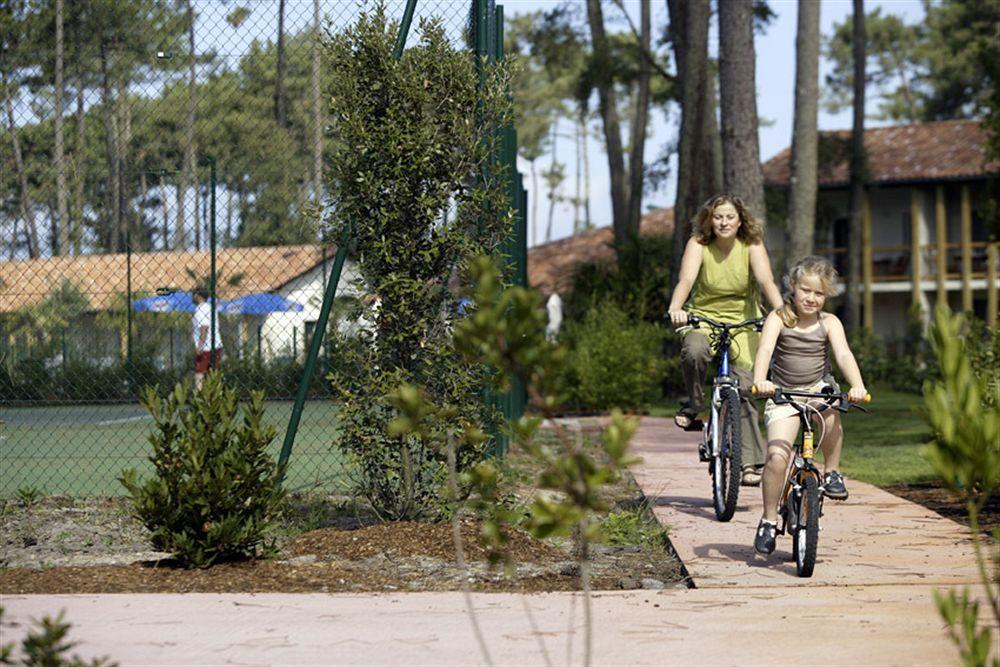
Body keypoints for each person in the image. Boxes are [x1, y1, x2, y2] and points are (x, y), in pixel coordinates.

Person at [750, 256, 868, 556]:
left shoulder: (829, 322)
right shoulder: (779, 318)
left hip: (817, 389)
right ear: (792, 286)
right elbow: (764, 349)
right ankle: (768, 519)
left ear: (826, 295)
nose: (811, 298)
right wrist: (761, 380)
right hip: (784, 392)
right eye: (806, 290)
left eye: (818, 293)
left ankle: (831, 472)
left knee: (831, 411)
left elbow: (843, 354)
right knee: (777, 457)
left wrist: (857, 385)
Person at [667, 194, 784, 486]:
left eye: (730, 217)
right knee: (694, 350)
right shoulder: (698, 245)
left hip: (744, 323)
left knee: (745, 388)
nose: (724, 222)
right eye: (718, 217)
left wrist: (783, 313)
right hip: (703, 318)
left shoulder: (751, 245)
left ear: (740, 220)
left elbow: (766, 281)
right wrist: (676, 308)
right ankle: (694, 405)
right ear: (710, 220)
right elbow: (685, 280)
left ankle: (748, 464)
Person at [191, 288, 224, 391]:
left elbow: (204, 327)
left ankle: (199, 398)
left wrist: (200, 346)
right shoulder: (211, 308)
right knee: (215, 374)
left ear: (197, 295)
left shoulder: (200, 309)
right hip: (216, 345)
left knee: (199, 374)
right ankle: (217, 398)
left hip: (206, 347)